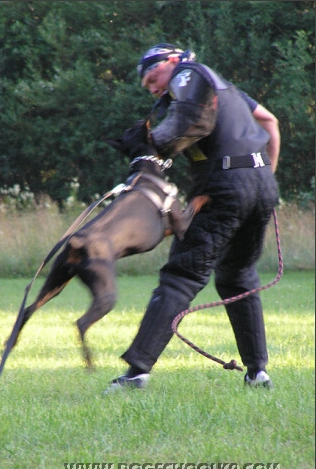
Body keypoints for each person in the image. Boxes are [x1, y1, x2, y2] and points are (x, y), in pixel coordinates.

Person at [108, 43, 280, 391]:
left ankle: (137, 373)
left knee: (180, 276)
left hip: (225, 185)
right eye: (148, 87)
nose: (153, 88)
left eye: (153, 78)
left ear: (172, 61)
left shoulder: (189, 75)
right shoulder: (224, 86)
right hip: (261, 185)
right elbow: (269, 122)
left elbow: (191, 123)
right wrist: (265, 178)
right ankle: (257, 373)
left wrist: (149, 145)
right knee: (238, 275)